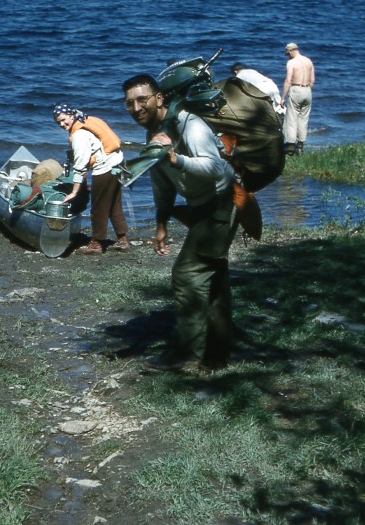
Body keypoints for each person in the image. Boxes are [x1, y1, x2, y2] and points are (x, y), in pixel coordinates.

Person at [122, 73, 237, 371]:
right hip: (202, 207)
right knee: (213, 280)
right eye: (129, 103)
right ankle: (217, 354)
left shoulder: (189, 124)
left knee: (187, 275)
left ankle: (186, 353)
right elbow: (162, 182)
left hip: (221, 203)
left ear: (159, 98)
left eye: (142, 99)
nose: (136, 108)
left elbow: (213, 168)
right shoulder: (155, 132)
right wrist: (161, 223)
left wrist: (177, 160)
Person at [53, 104, 130, 253]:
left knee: (98, 207)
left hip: (105, 168)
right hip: (118, 163)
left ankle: (96, 244)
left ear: (71, 115)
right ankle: (122, 241)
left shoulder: (78, 135)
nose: (62, 124)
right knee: (114, 204)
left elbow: (80, 166)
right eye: (58, 123)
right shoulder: (86, 121)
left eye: (63, 120)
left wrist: (74, 192)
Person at [280, 43, 315, 155]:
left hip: (296, 89)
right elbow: (312, 80)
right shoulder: (308, 61)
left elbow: (288, 80)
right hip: (307, 90)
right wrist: (308, 91)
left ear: (290, 51)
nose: (288, 56)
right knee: (303, 119)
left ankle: (290, 148)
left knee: (291, 118)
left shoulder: (291, 62)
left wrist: (283, 97)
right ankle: (300, 147)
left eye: (287, 54)